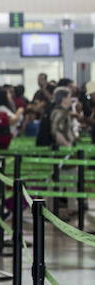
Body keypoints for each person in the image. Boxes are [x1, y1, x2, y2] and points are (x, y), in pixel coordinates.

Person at [50, 88, 80, 216]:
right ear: (63, 98)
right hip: (64, 151)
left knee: (72, 176)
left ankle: (72, 206)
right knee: (59, 178)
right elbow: (55, 131)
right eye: (69, 96)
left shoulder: (64, 112)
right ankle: (50, 207)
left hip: (67, 150)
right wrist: (67, 144)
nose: (70, 99)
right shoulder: (59, 113)